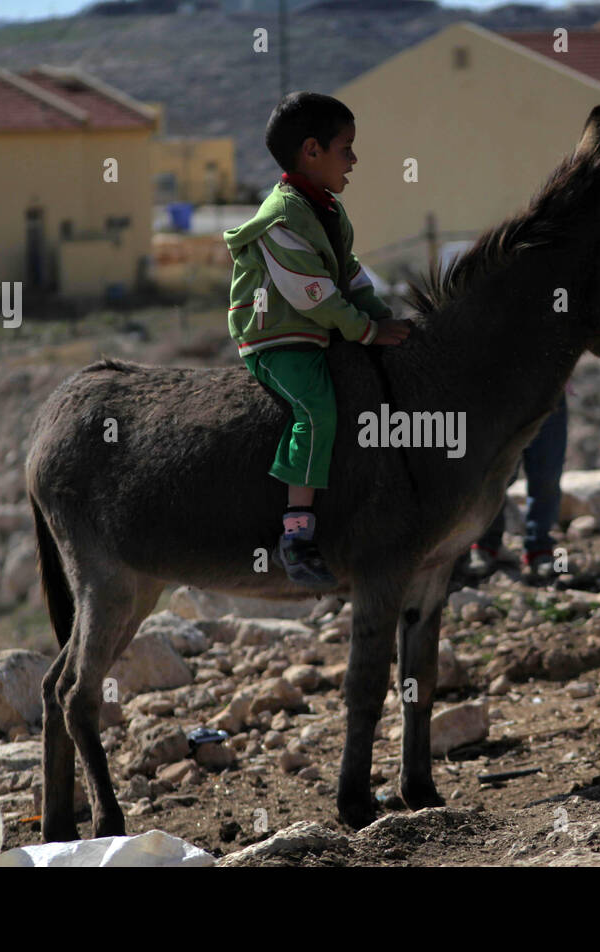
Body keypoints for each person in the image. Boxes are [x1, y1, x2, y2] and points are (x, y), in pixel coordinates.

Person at [224, 92, 409, 587]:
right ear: (312, 151)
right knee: (317, 408)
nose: (354, 159)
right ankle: (297, 535)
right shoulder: (283, 217)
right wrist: (369, 330)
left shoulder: (328, 210)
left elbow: (349, 273)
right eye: (346, 148)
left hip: (316, 329)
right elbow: (314, 296)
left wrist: (383, 317)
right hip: (277, 338)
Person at [463, 391, 569, 585]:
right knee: (496, 474)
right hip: (505, 391)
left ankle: (540, 548)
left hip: (550, 393)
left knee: (547, 477)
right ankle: (485, 544)